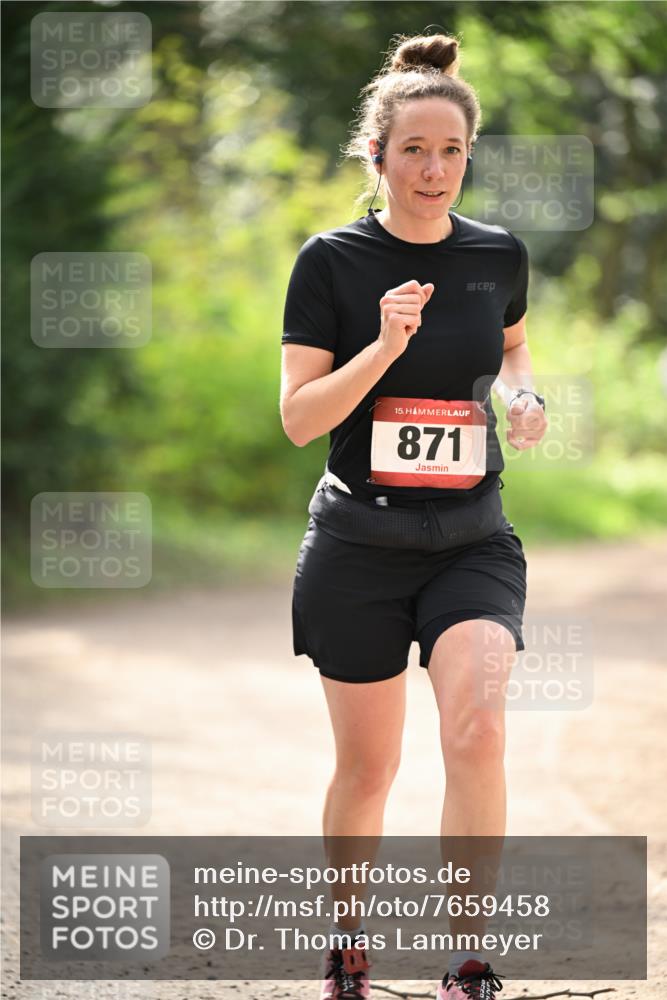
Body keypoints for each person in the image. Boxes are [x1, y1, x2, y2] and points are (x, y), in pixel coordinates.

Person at [280, 30, 548, 1000]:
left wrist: (525, 396)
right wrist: (384, 347)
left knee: (475, 729)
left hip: (471, 540)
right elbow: (299, 418)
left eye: (451, 152)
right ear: (376, 155)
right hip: (357, 543)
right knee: (368, 766)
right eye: (413, 151)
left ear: (467, 155)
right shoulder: (332, 264)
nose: (433, 171)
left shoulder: (496, 255)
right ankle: (347, 941)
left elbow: (513, 347)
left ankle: (468, 955)